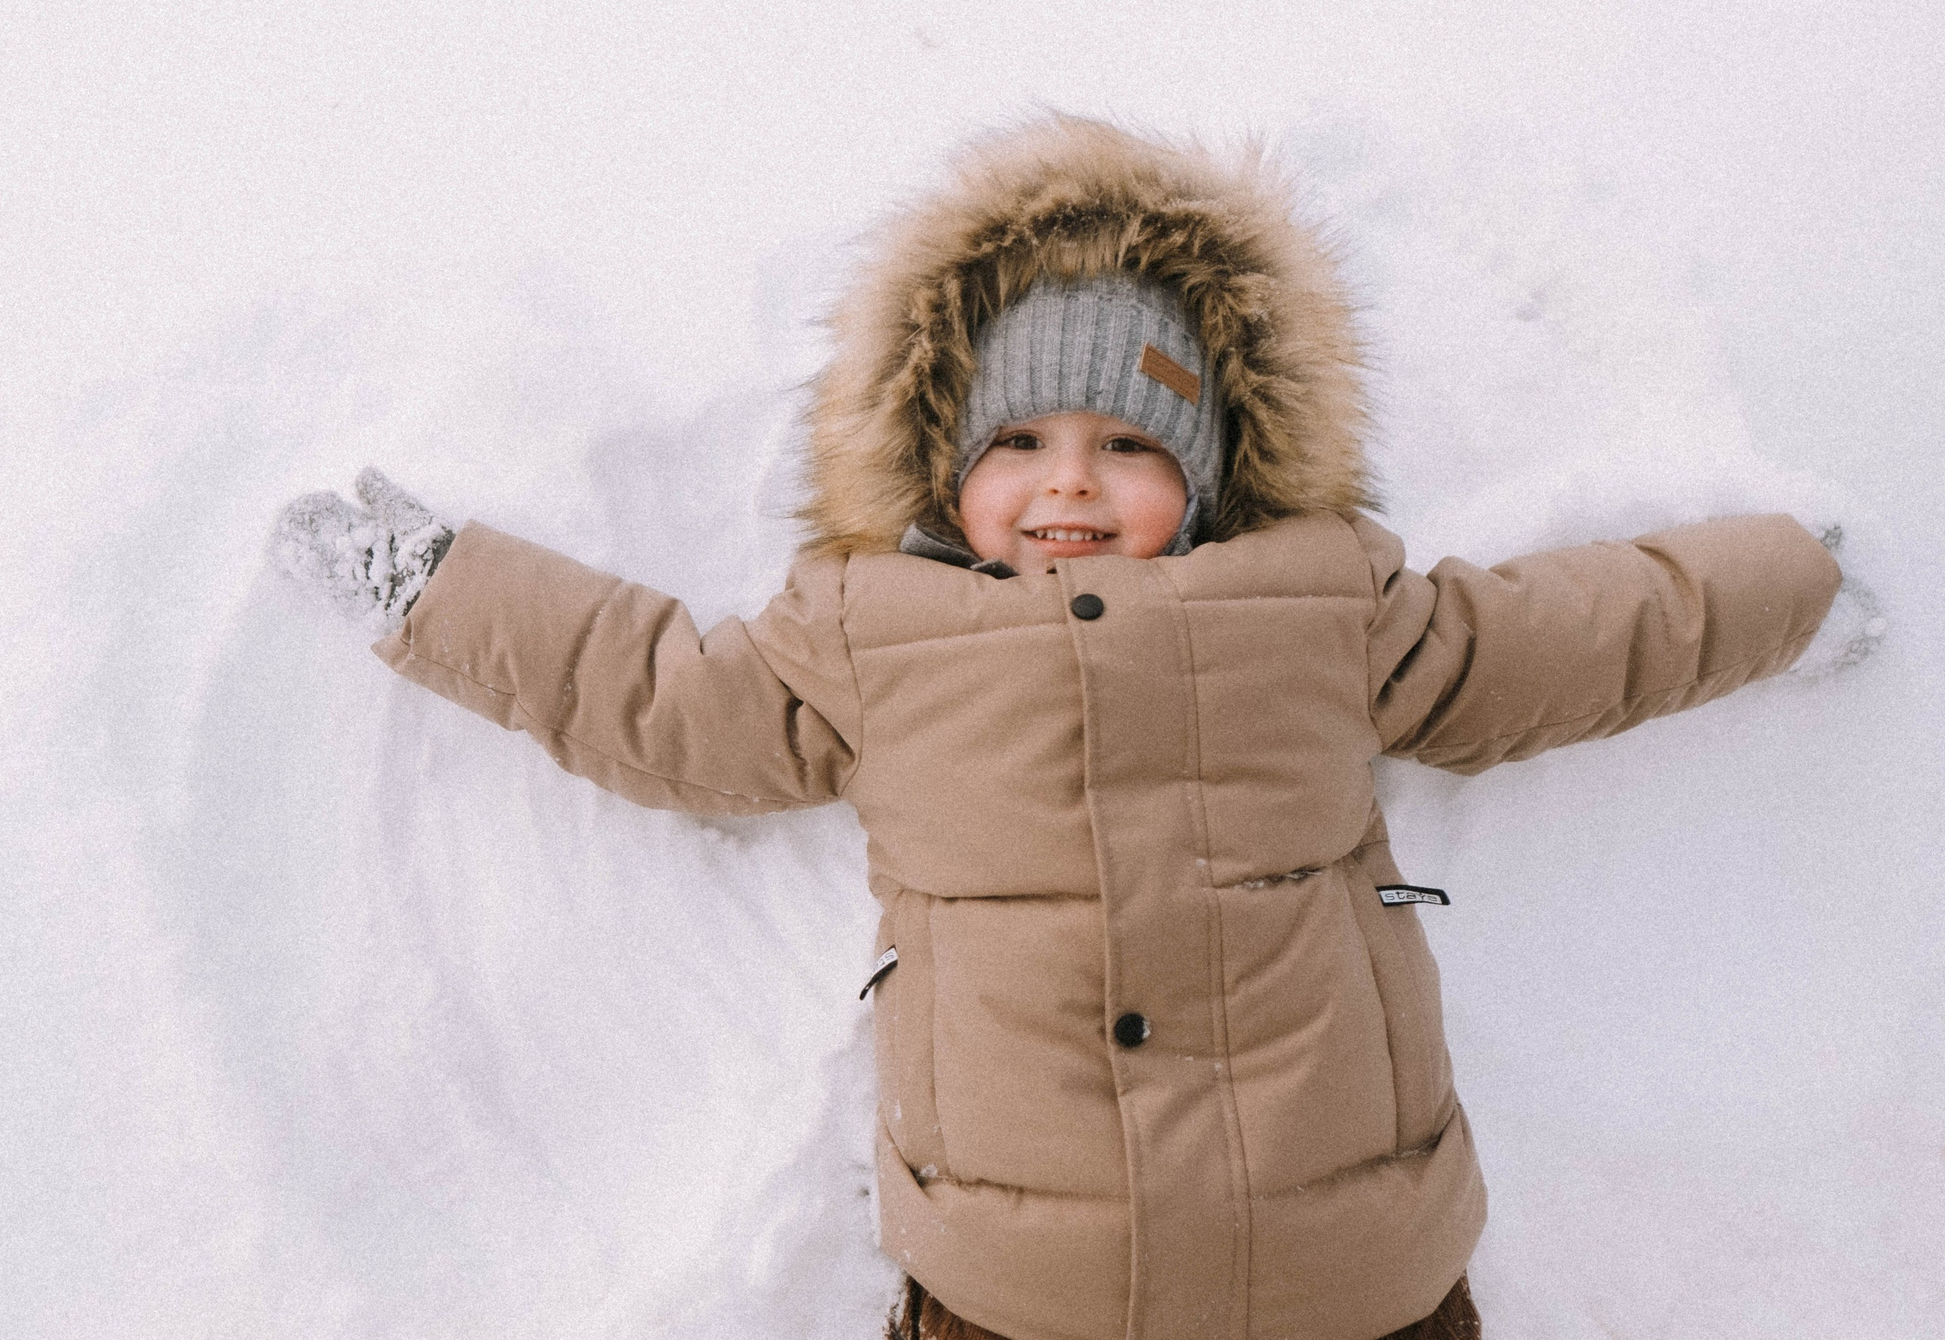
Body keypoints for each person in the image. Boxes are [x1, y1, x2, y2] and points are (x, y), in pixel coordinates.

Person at [272, 116, 1873, 1340]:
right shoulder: (873, 636)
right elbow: (660, 699)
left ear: (1216, 464)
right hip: (1017, 1286)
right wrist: (438, 588)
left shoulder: (1326, 608)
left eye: (1127, 441)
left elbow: (1577, 638)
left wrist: (1786, 582)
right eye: (1019, 439)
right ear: (942, 464)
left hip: (1351, 1269)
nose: (1067, 483)